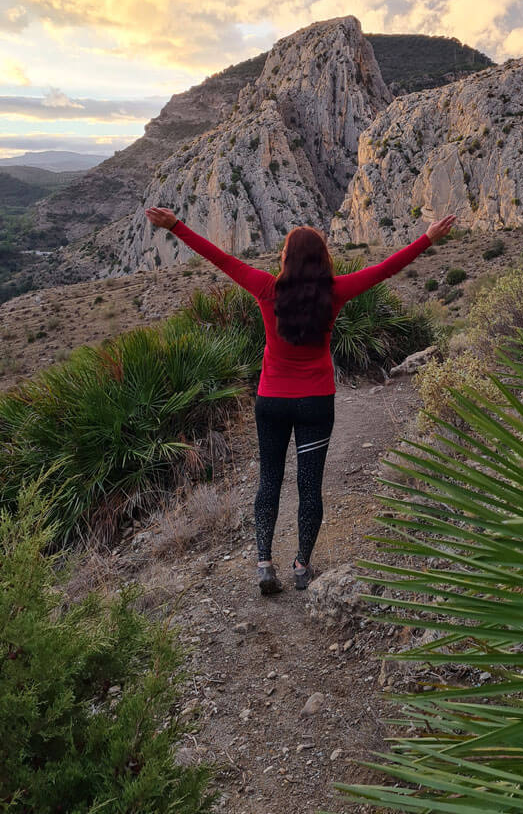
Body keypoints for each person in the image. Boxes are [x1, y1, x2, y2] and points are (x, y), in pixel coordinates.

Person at [144, 205, 455, 595]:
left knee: (268, 481)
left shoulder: (265, 288)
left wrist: (177, 226)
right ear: (322, 259)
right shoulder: (336, 291)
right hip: (315, 403)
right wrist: (426, 239)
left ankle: (263, 564)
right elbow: (386, 269)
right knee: (310, 487)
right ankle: (302, 567)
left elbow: (218, 258)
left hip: (270, 402)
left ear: (287, 258)